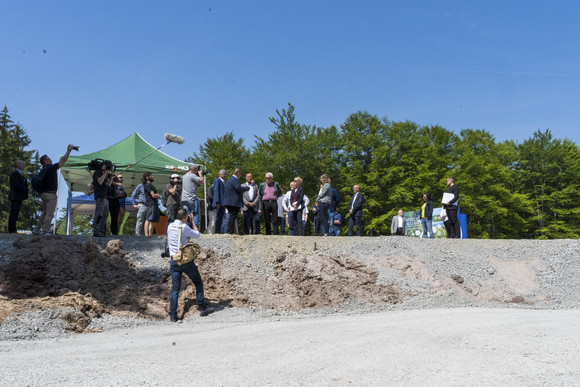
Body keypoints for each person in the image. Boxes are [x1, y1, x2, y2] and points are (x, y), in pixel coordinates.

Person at [167, 209, 210, 322]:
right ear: (186, 217)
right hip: (185, 260)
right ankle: (201, 307)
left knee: (175, 289)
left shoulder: (170, 226)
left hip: (173, 260)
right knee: (198, 281)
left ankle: (173, 316)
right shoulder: (184, 227)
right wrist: (193, 222)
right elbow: (197, 235)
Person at [35, 144, 75, 235]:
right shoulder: (51, 168)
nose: (51, 160)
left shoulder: (42, 170)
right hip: (51, 195)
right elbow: (63, 160)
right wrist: (69, 151)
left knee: (45, 212)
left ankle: (37, 228)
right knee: (50, 213)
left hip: (43, 194)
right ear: (45, 161)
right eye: (49, 159)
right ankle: (45, 231)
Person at [223, 168, 249, 235]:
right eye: (240, 174)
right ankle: (231, 231)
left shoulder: (228, 179)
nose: (240, 176)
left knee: (232, 216)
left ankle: (230, 230)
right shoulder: (234, 179)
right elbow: (238, 188)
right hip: (233, 202)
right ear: (238, 173)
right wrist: (246, 188)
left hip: (229, 201)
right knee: (233, 216)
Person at [92, 160, 114, 237]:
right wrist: (105, 173)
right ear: (103, 165)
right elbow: (100, 182)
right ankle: (96, 231)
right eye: (107, 165)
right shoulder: (97, 172)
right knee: (99, 214)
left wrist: (111, 176)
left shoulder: (103, 174)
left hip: (105, 197)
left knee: (105, 214)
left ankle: (101, 231)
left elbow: (108, 184)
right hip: (100, 196)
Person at [8, 160, 29, 233]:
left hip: (19, 196)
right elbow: (16, 185)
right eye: (23, 164)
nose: (24, 165)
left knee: (16, 213)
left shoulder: (20, 174)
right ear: (18, 165)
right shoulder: (15, 174)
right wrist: (26, 189)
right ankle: (12, 229)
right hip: (15, 196)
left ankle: (13, 229)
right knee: (14, 213)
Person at [143, 172, 160, 236]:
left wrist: (157, 195)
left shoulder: (151, 185)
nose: (152, 176)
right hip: (151, 204)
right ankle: (146, 235)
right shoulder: (147, 185)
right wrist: (157, 195)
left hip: (155, 204)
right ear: (147, 177)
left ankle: (150, 235)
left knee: (153, 221)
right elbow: (153, 195)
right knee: (148, 219)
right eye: (151, 175)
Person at [212, 169, 227, 234]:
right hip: (219, 203)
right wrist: (217, 202)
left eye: (225, 174)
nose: (225, 175)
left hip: (223, 203)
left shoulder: (223, 182)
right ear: (220, 174)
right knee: (218, 218)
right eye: (224, 174)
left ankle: (219, 230)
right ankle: (217, 231)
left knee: (221, 217)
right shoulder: (217, 181)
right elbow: (216, 191)